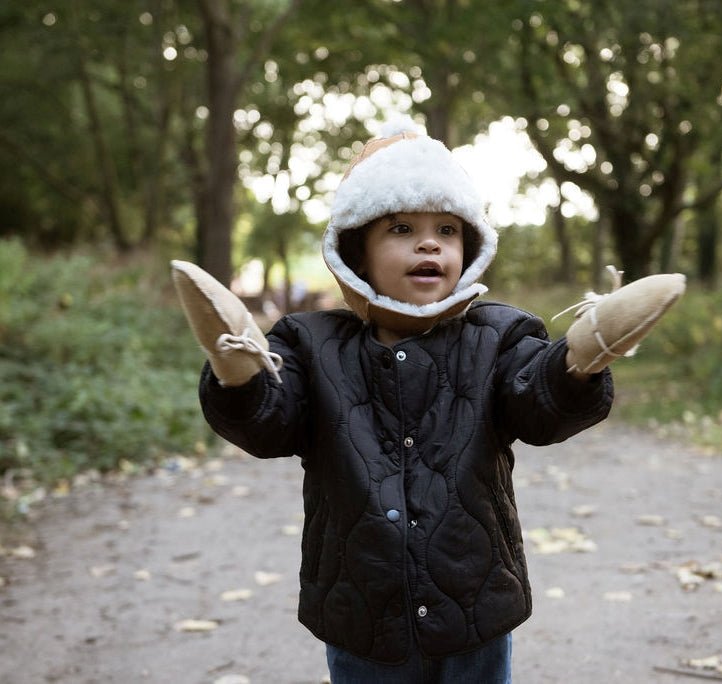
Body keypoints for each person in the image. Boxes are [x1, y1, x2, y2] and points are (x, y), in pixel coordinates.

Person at [171, 117, 685, 683]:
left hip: (474, 600)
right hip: (362, 607)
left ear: (470, 246)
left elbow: (536, 404)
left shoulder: (499, 336)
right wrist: (240, 373)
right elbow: (270, 420)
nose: (428, 243)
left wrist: (578, 362)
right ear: (356, 253)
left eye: (447, 229)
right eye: (400, 228)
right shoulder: (309, 343)